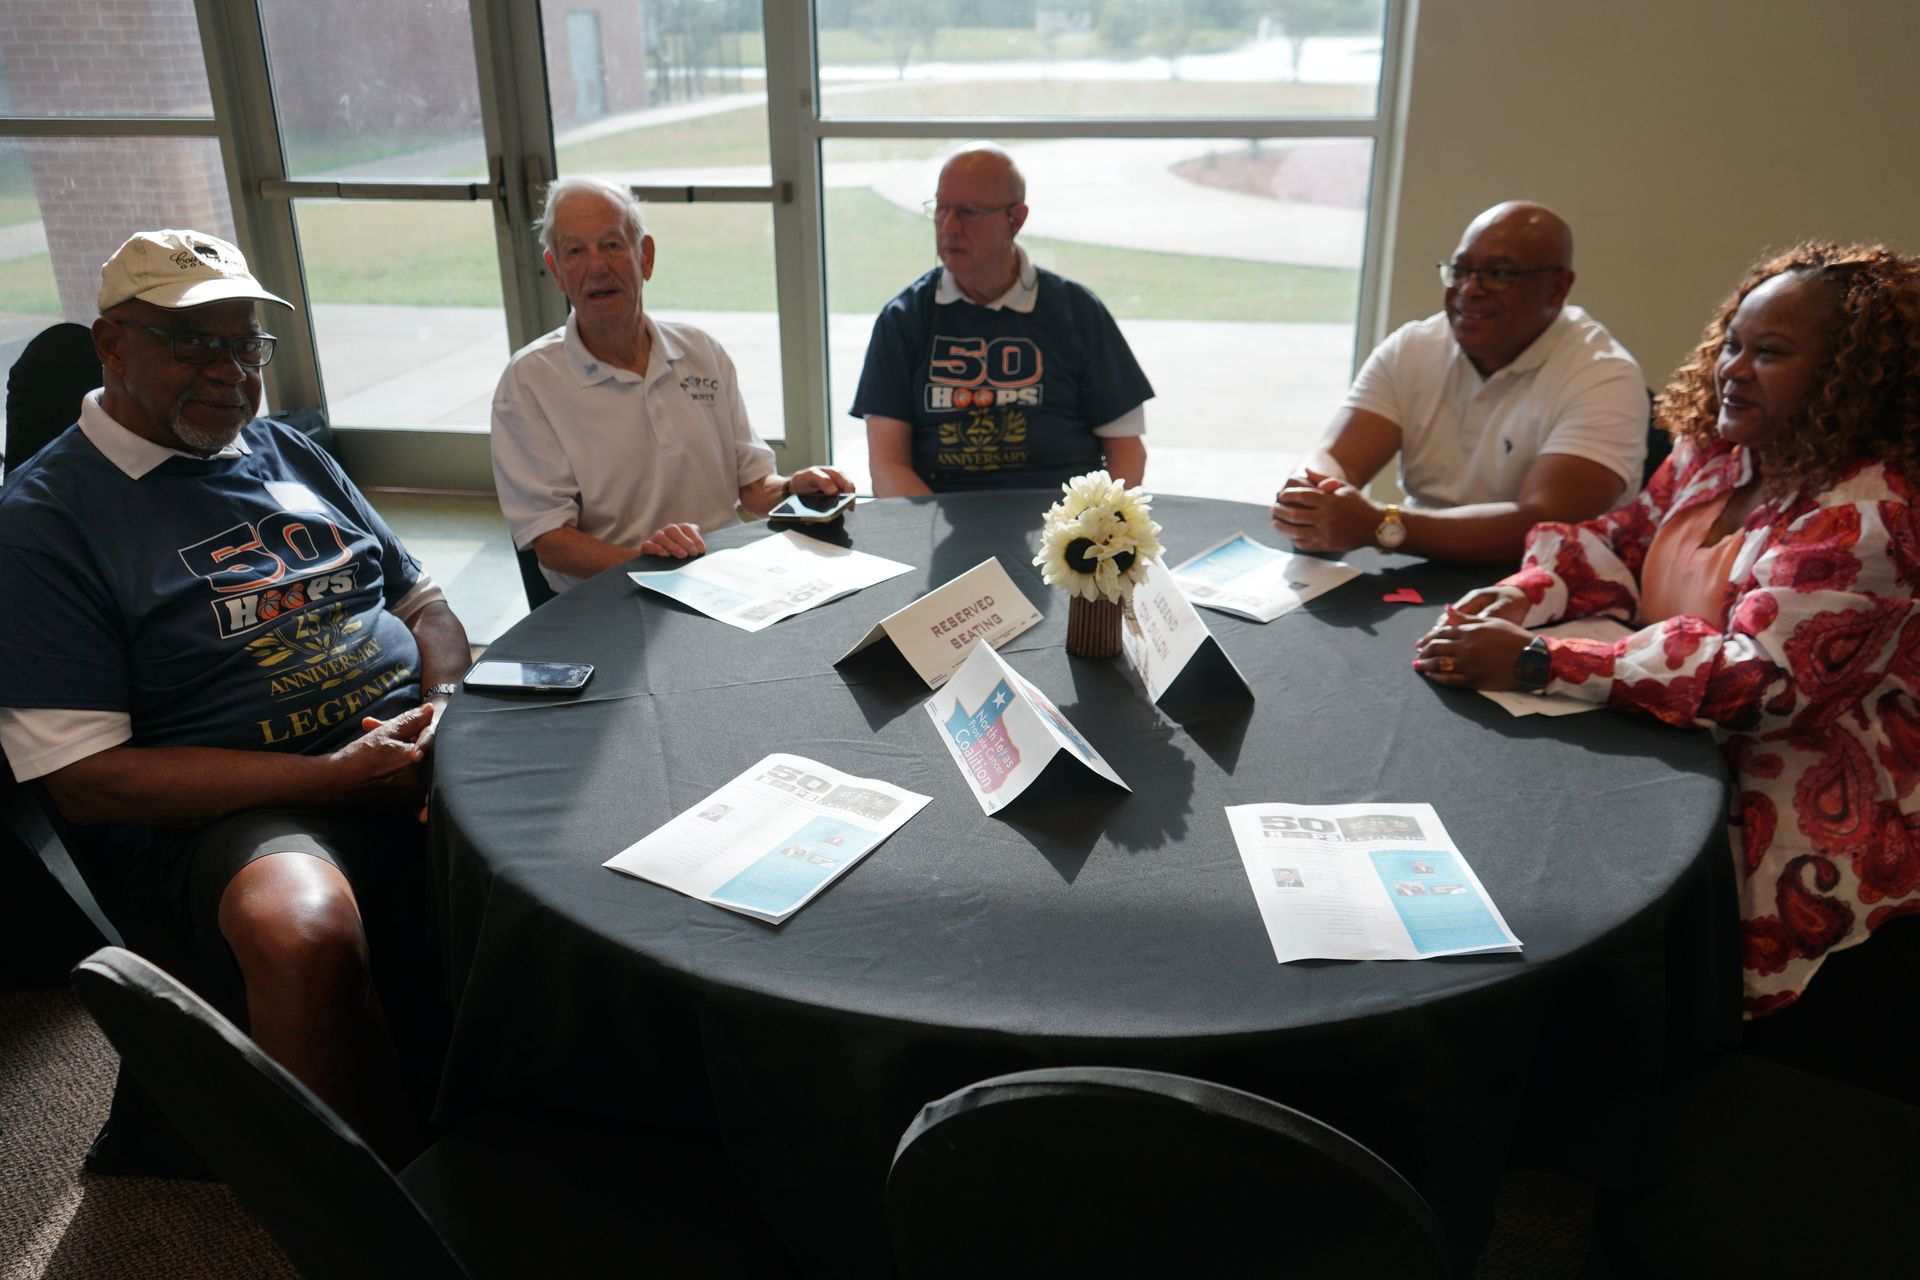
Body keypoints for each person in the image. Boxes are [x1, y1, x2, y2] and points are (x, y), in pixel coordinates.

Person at [0, 229, 472, 1162]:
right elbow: (89, 783)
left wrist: (449, 701)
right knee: (300, 934)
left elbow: (427, 605)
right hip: (246, 801)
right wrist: (332, 782)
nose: (230, 374)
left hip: (414, 730)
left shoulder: (285, 449)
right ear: (110, 343)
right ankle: (387, 1215)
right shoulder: (43, 524)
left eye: (244, 344)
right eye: (191, 342)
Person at [1412, 243, 1920, 1093]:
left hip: (1783, 809)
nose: (1733, 370)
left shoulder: (1867, 519)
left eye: (1770, 353)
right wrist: (1522, 597)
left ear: (1851, 376)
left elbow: (1759, 686)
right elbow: (1622, 542)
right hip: (1664, 743)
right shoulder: (1725, 455)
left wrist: (1541, 658)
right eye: (1732, 343)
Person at [492, 175, 852, 592]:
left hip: (727, 581)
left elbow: (753, 488)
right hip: (613, 595)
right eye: (575, 251)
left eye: (611, 245)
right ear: (555, 270)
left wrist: (793, 486)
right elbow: (552, 543)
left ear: (644, 256)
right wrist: (655, 567)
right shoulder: (530, 382)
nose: (596, 267)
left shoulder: (701, 351)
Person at [1272, 201, 1648, 563]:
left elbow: (1545, 525)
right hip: (1419, 563)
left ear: (1557, 288)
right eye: (1460, 270)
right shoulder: (1414, 346)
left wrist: (1380, 525)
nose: (1470, 289)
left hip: (1540, 590)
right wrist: (1315, 495)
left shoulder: (1606, 376)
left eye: (1498, 274)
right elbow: (1336, 456)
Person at [851, 143, 1154, 496]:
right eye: (942, 208)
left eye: (968, 211)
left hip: (1062, 528)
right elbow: (887, 465)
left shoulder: (1077, 311)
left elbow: (1127, 450)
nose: (949, 227)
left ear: (1016, 219)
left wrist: (1090, 533)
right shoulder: (903, 319)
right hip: (943, 525)